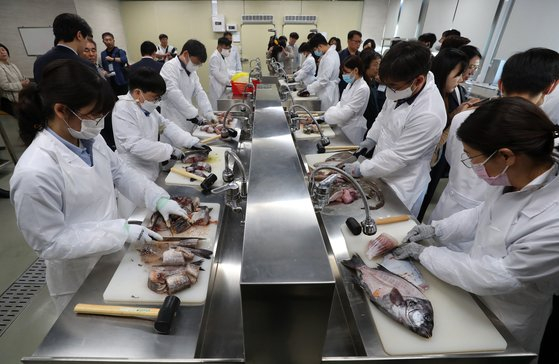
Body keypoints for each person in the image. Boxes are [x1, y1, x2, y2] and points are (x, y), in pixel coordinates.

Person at [10, 60, 187, 312]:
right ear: (61, 110)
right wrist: (120, 231)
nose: (99, 121)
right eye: (93, 114)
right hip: (77, 274)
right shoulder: (35, 171)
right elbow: (50, 242)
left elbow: (122, 173)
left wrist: (158, 198)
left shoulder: (90, 140)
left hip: (111, 256)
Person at [394, 97, 559, 356]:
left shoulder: (553, 220)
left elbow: (498, 275)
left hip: (508, 318)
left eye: (474, 158)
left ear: (506, 156)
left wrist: (425, 253)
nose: (473, 167)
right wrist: (437, 230)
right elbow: (482, 214)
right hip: (473, 297)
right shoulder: (515, 178)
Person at [429, 47, 559, 224]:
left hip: (464, 207)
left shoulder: (464, 117)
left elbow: (452, 158)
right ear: (550, 87)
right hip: (479, 214)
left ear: (500, 84)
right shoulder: (535, 136)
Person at [343, 41, 446, 216]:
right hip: (381, 169)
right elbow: (383, 115)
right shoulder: (403, 87)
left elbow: (399, 156)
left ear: (419, 80)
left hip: (403, 184)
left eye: (394, 87)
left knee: (388, 228)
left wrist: (361, 169)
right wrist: (372, 138)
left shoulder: (429, 113)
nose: (389, 91)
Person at [112, 68, 202, 217]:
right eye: (154, 98)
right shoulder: (123, 109)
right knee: (137, 219)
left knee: (155, 214)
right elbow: (135, 144)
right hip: (133, 174)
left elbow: (165, 125)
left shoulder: (146, 107)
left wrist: (190, 141)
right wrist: (170, 151)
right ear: (137, 93)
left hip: (151, 170)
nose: (157, 102)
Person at [417, 48, 475, 221]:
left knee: (426, 195)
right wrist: (456, 119)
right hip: (428, 157)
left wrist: (456, 112)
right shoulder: (430, 99)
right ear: (444, 71)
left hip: (438, 159)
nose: (461, 79)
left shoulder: (449, 93)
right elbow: (436, 137)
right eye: (457, 75)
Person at [159, 39, 216, 134]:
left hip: (188, 119)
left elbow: (199, 92)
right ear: (185, 54)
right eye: (196, 63)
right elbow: (174, 94)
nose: (197, 66)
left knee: (189, 144)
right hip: (173, 119)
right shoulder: (169, 68)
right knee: (175, 146)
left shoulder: (192, 71)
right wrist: (195, 115)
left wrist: (209, 113)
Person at [33, 13, 95, 83]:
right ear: (79, 35)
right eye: (86, 38)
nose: (86, 43)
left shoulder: (39, 62)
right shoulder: (85, 65)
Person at [323, 56, 370, 144]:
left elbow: (347, 113)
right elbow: (342, 103)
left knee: (348, 154)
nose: (344, 75)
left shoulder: (363, 88)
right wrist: (329, 113)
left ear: (356, 70)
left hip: (352, 128)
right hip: (343, 125)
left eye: (346, 72)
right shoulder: (350, 84)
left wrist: (326, 116)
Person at [306, 33, 340, 111]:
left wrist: (309, 89)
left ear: (320, 46)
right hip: (329, 90)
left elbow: (323, 80)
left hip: (327, 92)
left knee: (325, 117)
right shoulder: (333, 54)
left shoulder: (329, 57)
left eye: (315, 49)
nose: (315, 52)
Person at [0, 43, 29, 116]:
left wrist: (26, 80)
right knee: (26, 116)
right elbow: (4, 86)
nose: (2, 52)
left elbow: (22, 77)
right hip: (8, 101)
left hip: (20, 98)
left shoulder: (13, 65)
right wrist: (21, 84)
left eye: (3, 50)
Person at [360, 50, 383, 135]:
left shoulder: (373, 82)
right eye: (375, 65)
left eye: (379, 64)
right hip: (366, 126)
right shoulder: (364, 86)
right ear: (365, 66)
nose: (378, 68)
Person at [208, 37, 232, 109]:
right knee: (216, 108)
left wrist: (233, 77)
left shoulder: (221, 56)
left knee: (221, 108)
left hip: (222, 86)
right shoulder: (215, 57)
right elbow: (216, 74)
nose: (228, 50)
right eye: (226, 48)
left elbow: (224, 71)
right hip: (216, 87)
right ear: (220, 46)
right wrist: (228, 82)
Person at [338, 30, 362, 95]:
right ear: (349, 41)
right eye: (356, 41)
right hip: (343, 86)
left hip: (357, 88)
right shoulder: (340, 55)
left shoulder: (361, 56)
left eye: (360, 42)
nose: (358, 44)